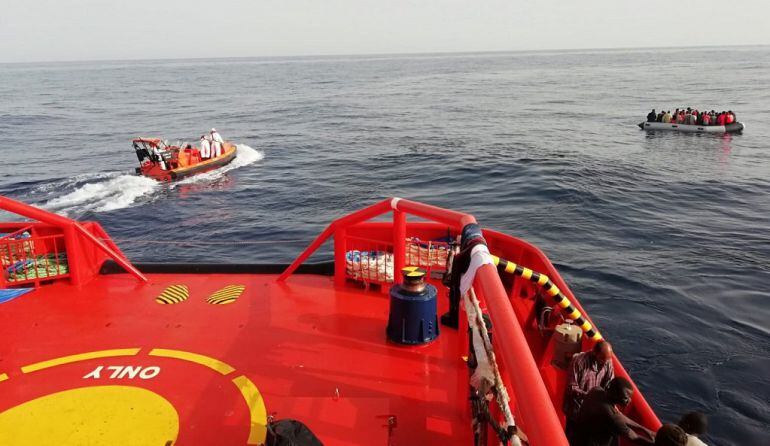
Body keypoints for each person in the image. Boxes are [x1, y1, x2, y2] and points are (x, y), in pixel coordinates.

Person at [570, 377, 655, 446]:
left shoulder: (596, 390)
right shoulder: (611, 416)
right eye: (626, 397)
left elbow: (618, 416)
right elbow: (635, 438)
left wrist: (644, 429)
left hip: (578, 436)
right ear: (615, 394)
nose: (629, 401)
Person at [564, 341, 615, 438]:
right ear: (594, 353)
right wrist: (591, 396)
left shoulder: (607, 361)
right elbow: (571, 387)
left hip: (594, 410)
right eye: (602, 359)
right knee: (571, 435)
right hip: (577, 408)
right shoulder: (579, 362)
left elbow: (610, 382)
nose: (605, 363)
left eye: (607, 360)